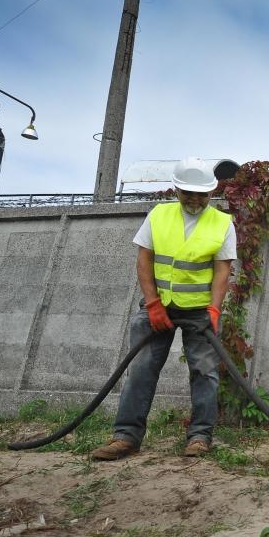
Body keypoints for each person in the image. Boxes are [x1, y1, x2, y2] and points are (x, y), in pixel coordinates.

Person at [91, 157, 236, 460]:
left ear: (211, 192)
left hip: (199, 312)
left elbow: (222, 270)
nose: (195, 200)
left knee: (205, 372)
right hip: (158, 308)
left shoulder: (222, 223)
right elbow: (144, 260)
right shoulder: (159, 215)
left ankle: (199, 437)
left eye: (201, 194)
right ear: (177, 189)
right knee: (141, 370)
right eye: (188, 193)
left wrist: (214, 310)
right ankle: (126, 437)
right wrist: (153, 304)